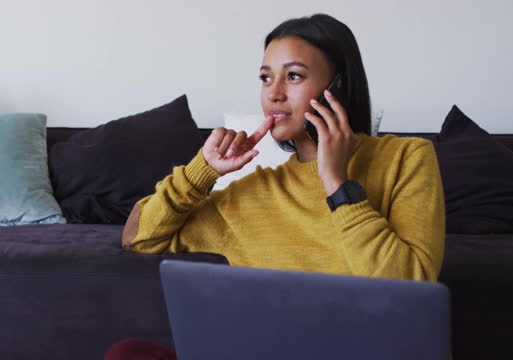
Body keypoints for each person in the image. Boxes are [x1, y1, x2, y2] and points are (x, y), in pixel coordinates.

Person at [106, 13, 445, 359]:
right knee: (128, 353)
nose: (274, 94)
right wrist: (201, 172)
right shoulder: (252, 193)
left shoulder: (407, 157)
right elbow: (139, 238)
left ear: (337, 87)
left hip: (364, 350)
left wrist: (336, 183)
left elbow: (410, 288)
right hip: (266, 349)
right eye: (266, 78)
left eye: (294, 76)